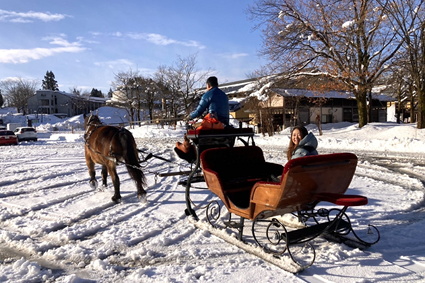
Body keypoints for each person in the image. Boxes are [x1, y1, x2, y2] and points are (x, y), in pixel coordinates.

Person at [175, 76, 230, 162]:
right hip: (224, 125)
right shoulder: (224, 95)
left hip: (213, 124)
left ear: (208, 85)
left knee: (192, 128)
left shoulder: (208, 94)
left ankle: (186, 146)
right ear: (217, 84)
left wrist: (188, 117)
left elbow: (198, 111)